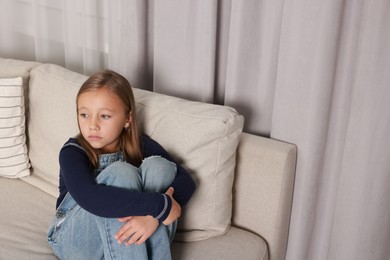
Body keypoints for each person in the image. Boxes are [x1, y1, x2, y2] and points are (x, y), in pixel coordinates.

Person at [47, 70, 196, 260]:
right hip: (74, 240)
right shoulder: (72, 152)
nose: (92, 125)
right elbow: (90, 198)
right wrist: (160, 206)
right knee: (121, 173)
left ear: (127, 119)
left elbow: (186, 181)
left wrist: (151, 218)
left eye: (105, 116)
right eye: (84, 114)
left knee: (161, 167)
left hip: (119, 239)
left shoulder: (139, 144)